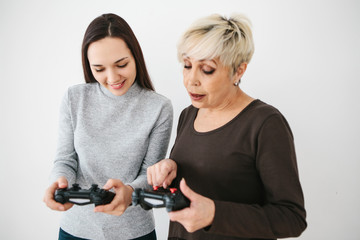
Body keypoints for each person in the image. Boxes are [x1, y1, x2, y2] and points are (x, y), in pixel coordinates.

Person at [147, 13, 307, 240]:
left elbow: (292, 218)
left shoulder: (265, 124)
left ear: (239, 71)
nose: (191, 80)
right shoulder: (188, 114)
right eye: (187, 65)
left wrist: (215, 214)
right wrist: (168, 171)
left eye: (207, 69)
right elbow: (191, 192)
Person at [43, 13, 173, 240]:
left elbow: (150, 175)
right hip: (76, 230)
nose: (112, 77)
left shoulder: (159, 107)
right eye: (99, 69)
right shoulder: (74, 98)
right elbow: (65, 160)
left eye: (121, 64)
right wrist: (59, 180)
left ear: (136, 57)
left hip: (135, 232)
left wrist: (129, 191)